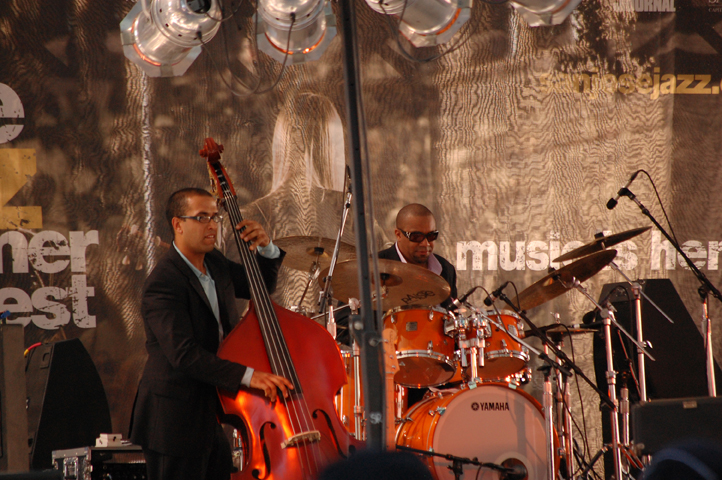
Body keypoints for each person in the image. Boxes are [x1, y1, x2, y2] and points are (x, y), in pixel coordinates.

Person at [129, 188, 294, 480]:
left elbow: (260, 286)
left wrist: (267, 248)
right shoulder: (164, 283)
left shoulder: (214, 262)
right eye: (202, 217)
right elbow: (185, 355)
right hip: (173, 420)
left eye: (215, 217)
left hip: (208, 412)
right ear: (178, 224)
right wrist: (250, 376)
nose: (213, 225)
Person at [378, 203, 457, 308]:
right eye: (416, 237)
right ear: (398, 235)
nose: (426, 244)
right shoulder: (373, 266)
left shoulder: (446, 269)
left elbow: (452, 317)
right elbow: (350, 318)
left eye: (431, 236)